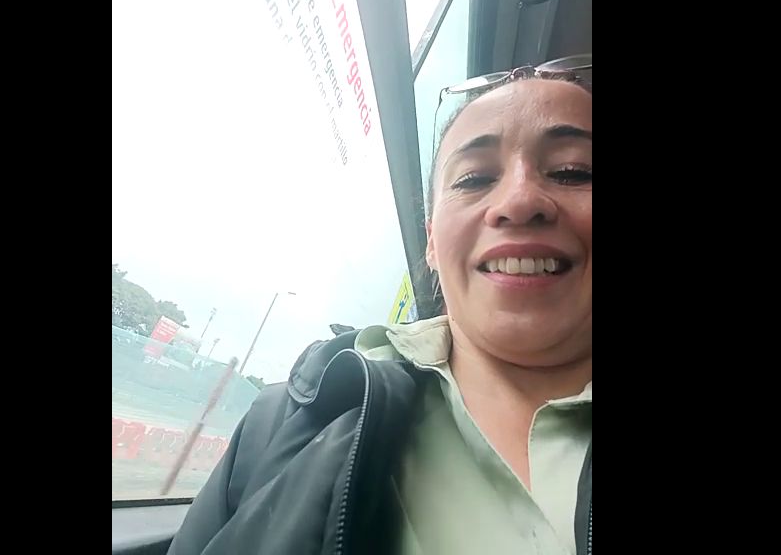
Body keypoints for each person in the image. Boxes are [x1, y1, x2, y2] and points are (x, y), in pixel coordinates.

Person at [168, 56, 592, 555]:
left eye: (572, 171)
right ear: (431, 241)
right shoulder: (286, 423)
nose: (519, 201)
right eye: (474, 179)